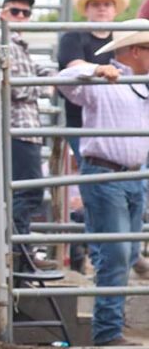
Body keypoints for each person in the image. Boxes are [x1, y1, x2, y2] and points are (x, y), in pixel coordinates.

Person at [57, 20, 149, 347]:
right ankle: (108, 332)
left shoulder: (141, 82)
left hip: (131, 176)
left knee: (124, 252)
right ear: (136, 51)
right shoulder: (104, 78)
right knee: (116, 253)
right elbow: (63, 79)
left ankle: (111, 326)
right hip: (107, 175)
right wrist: (94, 70)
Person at [0, 0, 59, 270]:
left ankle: (20, 251)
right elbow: (17, 86)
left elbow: (36, 73)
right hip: (18, 129)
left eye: (25, 13)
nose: (21, 16)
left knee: (25, 192)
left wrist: (48, 78)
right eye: (15, 11)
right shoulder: (4, 43)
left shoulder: (15, 45)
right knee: (28, 193)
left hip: (24, 129)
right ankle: (20, 252)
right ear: (2, 12)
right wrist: (44, 85)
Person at [57, 0, 127, 162]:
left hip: (119, 120)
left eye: (106, 4)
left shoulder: (124, 37)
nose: (101, 8)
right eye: (95, 4)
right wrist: (101, 70)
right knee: (96, 169)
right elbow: (74, 65)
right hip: (82, 123)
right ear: (87, 9)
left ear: (114, 10)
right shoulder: (73, 37)